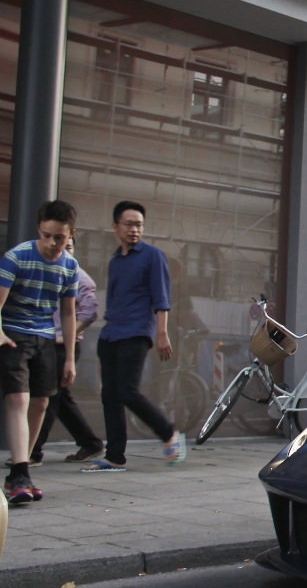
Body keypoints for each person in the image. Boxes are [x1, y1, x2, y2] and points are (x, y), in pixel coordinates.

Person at [84, 201, 185, 472]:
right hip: (111, 334)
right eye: (129, 224)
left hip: (137, 332)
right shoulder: (116, 261)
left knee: (127, 391)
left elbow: (161, 297)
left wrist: (162, 333)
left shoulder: (152, 255)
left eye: (139, 224)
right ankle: (114, 457)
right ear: (115, 226)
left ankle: (168, 433)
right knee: (110, 396)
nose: (134, 229)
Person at [0, 200, 80, 505]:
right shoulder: (16, 258)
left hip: (45, 337)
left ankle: (21, 471)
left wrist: (70, 358)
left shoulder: (70, 267)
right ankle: (19, 473)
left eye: (59, 237)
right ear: (39, 229)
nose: (51, 243)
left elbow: (69, 313)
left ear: (70, 234)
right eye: (46, 235)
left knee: (42, 402)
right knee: (18, 398)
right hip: (13, 333)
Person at [34, 237, 105, 464]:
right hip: (47, 342)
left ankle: (31, 452)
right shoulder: (51, 273)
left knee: (50, 397)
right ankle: (90, 442)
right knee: (60, 399)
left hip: (64, 346)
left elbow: (90, 312)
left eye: (69, 246)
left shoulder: (80, 277)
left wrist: (67, 334)